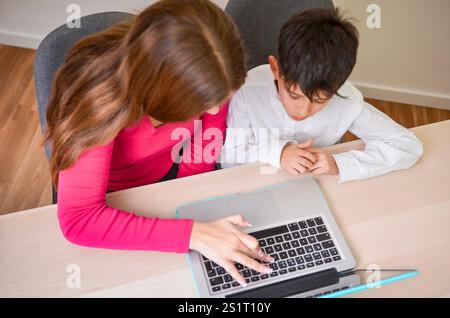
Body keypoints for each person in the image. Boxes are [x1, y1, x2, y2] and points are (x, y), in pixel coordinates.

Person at [46, 0, 272, 287]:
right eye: (204, 104)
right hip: (112, 196)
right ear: (159, 90)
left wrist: (188, 199)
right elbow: (79, 218)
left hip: (170, 178)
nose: (215, 111)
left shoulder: (211, 74)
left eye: (222, 98)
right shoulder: (95, 101)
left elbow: (210, 132)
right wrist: (191, 234)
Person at [220, 8, 423, 183]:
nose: (304, 111)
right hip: (255, 186)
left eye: (320, 101)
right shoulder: (247, 90)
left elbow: (408, 146)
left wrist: (339, 164)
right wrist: (278, 153)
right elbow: (230, 158)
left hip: (318, 184)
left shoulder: (346, 99)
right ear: (275, 68)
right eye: (294, 95)